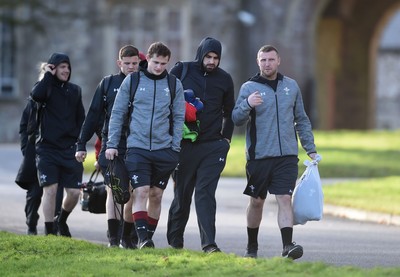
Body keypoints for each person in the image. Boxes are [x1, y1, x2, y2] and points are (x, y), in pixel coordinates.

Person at [232, 45, 319, 260]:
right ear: (258, 62)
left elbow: (302, 119)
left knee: (284, 198)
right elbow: (236, 119)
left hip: (287, 155)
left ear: (278, 61)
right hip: (259, 156)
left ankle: (288, 246)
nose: (267, 64)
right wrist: (247, 104)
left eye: (271, 59)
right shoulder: (249, 87)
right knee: (257, 202)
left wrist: (310, 148)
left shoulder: (291, 86)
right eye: (263, 60)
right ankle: (252, 247)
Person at [105, 42, 185, 249]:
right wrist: (112, 144)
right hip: (137, 147)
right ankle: (143, 239)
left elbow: (178, 118)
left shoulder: (174, 84)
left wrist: (175, 147)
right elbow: (117, 114)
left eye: (163, 63)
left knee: (156, 196)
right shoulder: (132, 81)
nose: (159, 67)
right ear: (147, 59)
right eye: (155, 62)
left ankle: (147, 235)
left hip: (164, 149)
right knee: (140, 192)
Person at [167, 37, 235, 253]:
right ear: (201, 54)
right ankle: (175, 242)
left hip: (213, 146)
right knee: (182, 194)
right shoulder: (182, 71)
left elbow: (230, 112)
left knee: (205, 193)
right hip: (185, 145)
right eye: (208, 56)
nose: (212, 61)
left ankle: (209, 244)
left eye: (216, 58)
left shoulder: (224, 79)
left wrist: (226, 139)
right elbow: (163, 101)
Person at [76, 45, 142, 248]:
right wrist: (81, 144)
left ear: (140, 63)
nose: (131, 67)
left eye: (135, 64)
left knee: (131, 192)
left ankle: (127, 236)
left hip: (136, 144)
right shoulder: (108, 83)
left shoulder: (143, 83)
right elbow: (93, 114)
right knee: (113, 190)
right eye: (127, 63)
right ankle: (114, 239)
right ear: (119, 63)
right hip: (112, 144)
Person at [31, 52, 85, 236]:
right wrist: (47, 74)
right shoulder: (44, 88)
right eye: (62, 67)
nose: (66, 70)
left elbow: (81, 120)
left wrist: (80, 143)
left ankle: (61, 220)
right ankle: (49, 231)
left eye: (68, 67)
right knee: (51, 190)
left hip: (69, 149)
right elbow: (36, 96)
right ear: (53, 68)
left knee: (74, 193)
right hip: (47, 148)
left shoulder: (75, 90)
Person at [15, 95, 63, 235]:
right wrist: (25, 148)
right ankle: (31, 224)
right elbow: (24, 125)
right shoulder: (35, 99)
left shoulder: (62, 97)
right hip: (35, 152)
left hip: (55, 152)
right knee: (34, 193)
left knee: (56, 192)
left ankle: (54, 226)